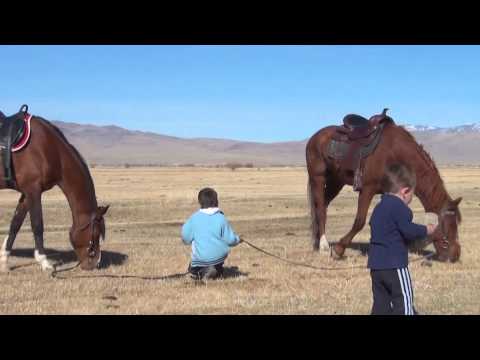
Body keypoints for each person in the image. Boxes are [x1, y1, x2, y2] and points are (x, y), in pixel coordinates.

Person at [368, 163, 437, 315]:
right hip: (395, 265)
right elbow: (408, 230)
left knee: (381, 305)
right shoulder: (400, 207)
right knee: (404, 301)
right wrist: (427, 230)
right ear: (405, 191)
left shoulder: (379, 208)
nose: (411, 198)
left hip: (376, 267)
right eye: (412, 194)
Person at [181, 187, 242, 280]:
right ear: (216, 202)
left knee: (192, 269)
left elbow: (185, 238)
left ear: (200, 202)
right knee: (218, 268)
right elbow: (230, 240)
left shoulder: (193, 218)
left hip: (200, 259)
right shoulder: (221, 218)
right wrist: (238, 239)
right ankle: (214, 270)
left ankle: (203, 271)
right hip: (219, 259)